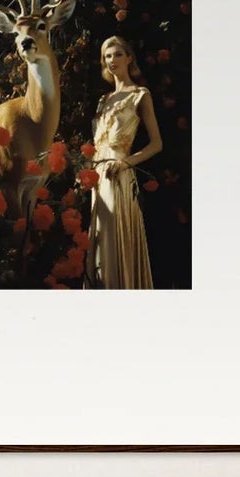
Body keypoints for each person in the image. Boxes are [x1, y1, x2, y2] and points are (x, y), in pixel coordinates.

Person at [89, 36, 163, 290]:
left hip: (119, 176)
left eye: (117, 54)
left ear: (129, 57)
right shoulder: (103, 101)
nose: (112, 60)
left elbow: (156, 144)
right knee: (100, 247)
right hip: (97, 179)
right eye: (107, 56)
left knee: (113, 241)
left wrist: (126, 164)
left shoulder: (140, 95)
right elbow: (97, 146)